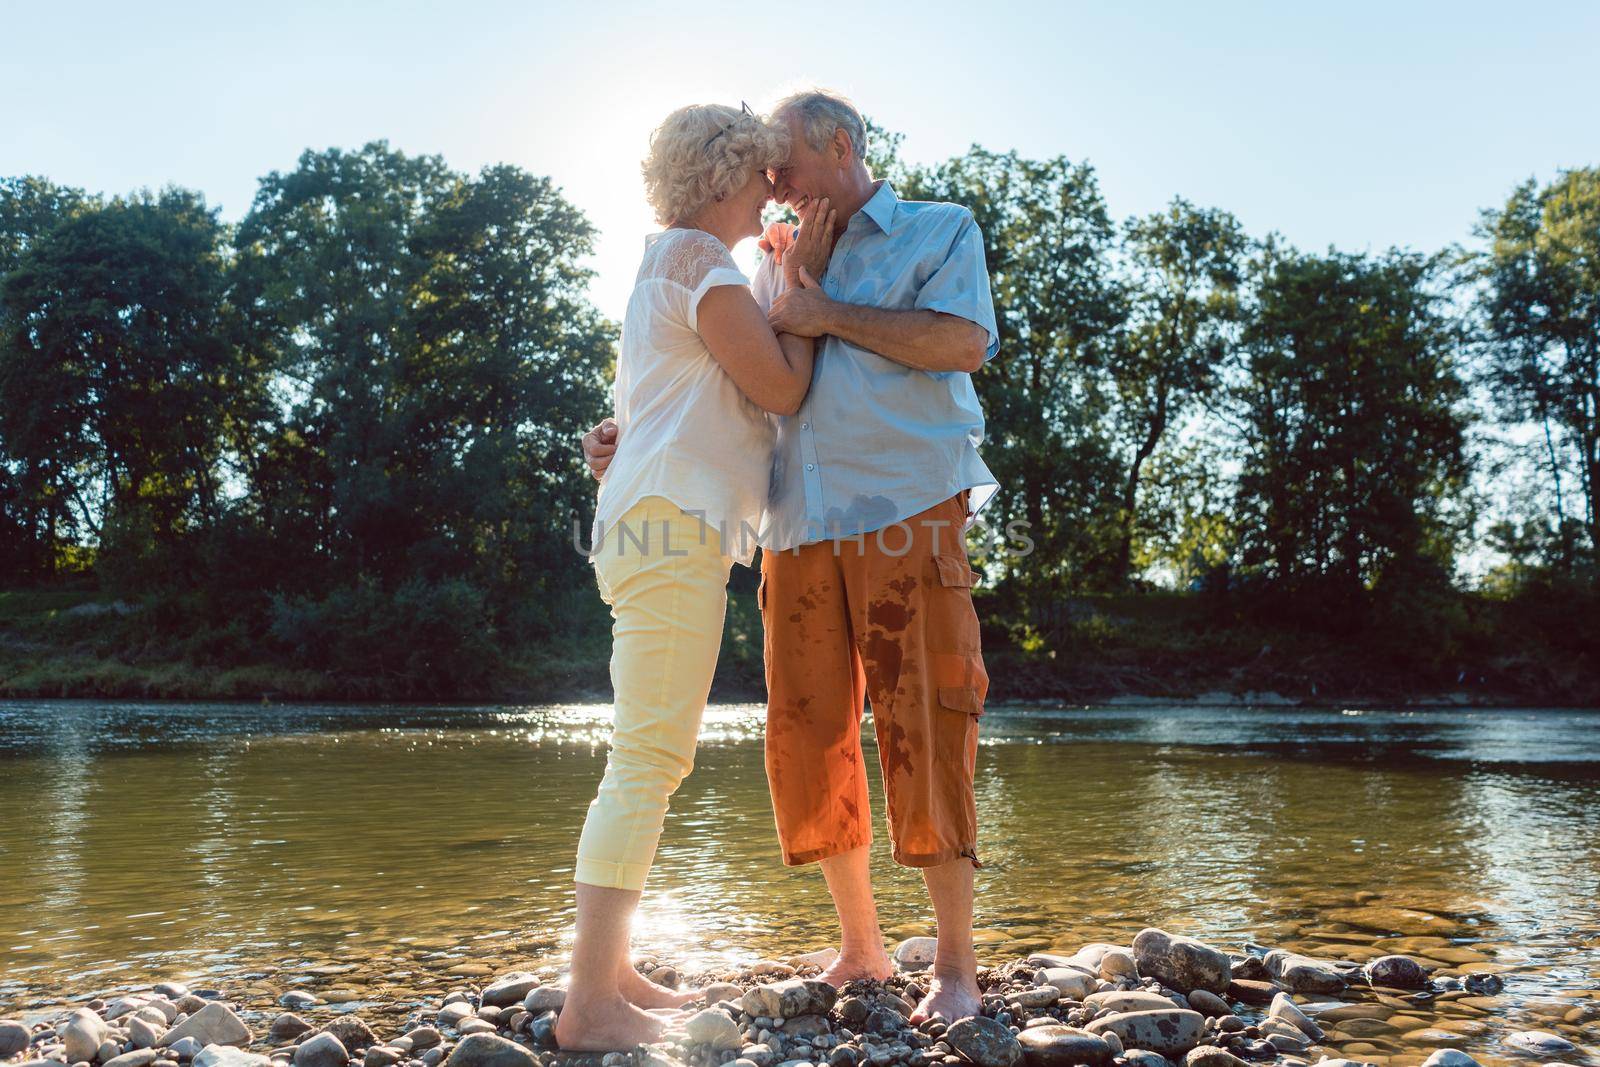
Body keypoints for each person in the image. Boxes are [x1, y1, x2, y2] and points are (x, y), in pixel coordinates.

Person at [583, 88, 1001, 1024]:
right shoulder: (767, 257)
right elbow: (714, 379)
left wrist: (827, 311)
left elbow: (964, 344)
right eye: (764, 170)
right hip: (794, 522)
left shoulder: (938, 229)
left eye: (788, 165)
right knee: (806, 733)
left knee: (925, 720)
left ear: (842, 145)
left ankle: (957, 968)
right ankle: (862, 944)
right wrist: (625, 437)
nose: (774, 184)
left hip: (906, 507)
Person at [557, 101, 837, 1052]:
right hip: (671, 531)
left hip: (647, 525)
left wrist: (609, 443)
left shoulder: (658, 265)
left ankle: (612, 968)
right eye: (762, 175)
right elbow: (783, 387)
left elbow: (646, 415)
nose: (774, 191)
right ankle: (589, 1001)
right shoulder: (703, 266)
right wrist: (799, 284)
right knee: (648, 758)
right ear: (724, 178)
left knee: (645, 753)